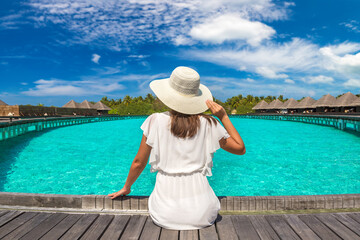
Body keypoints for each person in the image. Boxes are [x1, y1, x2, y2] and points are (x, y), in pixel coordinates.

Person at [108, 66, 245, 230]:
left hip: (165, 213)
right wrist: (223, 116)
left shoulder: (154, 120)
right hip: (203, 212)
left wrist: (126, 187)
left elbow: (139, 162)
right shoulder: (210, 123)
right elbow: (240, 148)